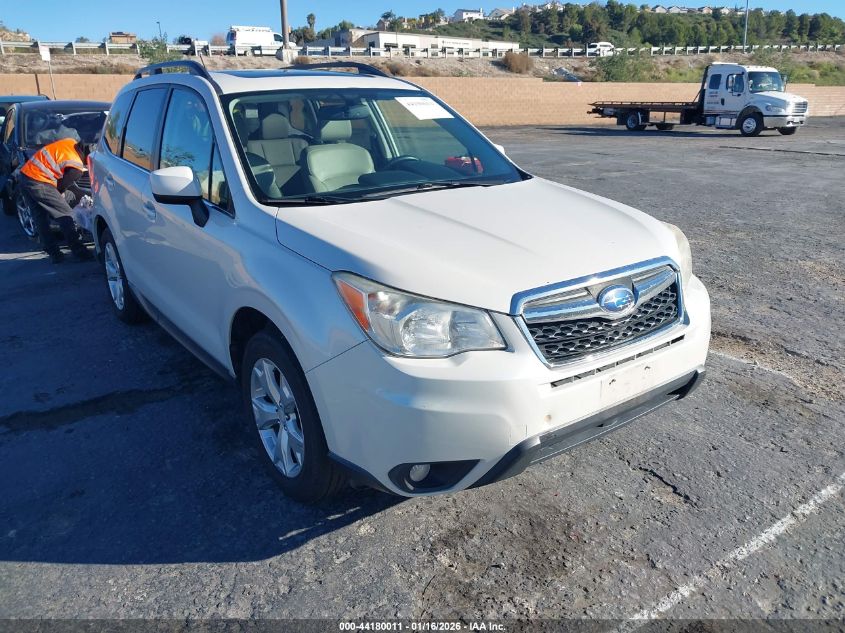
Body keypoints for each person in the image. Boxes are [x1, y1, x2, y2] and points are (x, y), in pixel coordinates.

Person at [19, 137, 94, 263]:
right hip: (39, 182)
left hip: (25, 175)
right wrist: (60, 195)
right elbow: (60, 187)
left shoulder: (70, 142)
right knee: (65, 214)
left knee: (40, 217)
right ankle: (79, 250)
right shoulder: (76, 167)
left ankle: (54, 253)